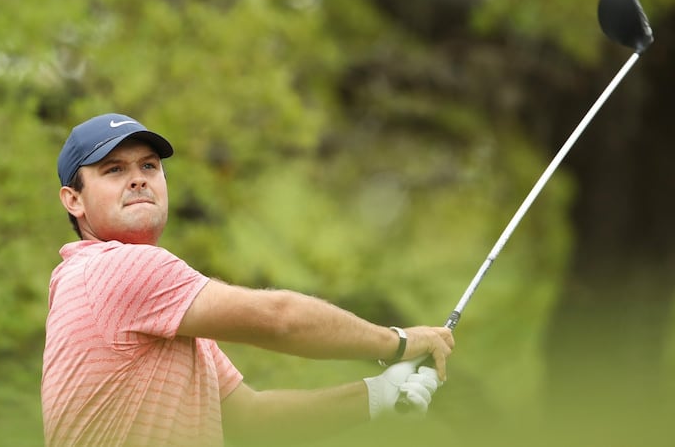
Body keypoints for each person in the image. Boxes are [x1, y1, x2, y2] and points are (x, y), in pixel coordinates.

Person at [41, 113, 455, 447]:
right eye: (114, 169)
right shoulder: (115, 268)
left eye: (149, 166)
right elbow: (280, 319)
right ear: (73, 200)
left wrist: (378, 393)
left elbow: (253, 421)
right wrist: (399, 343)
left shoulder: (165, 313)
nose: (138, 178)